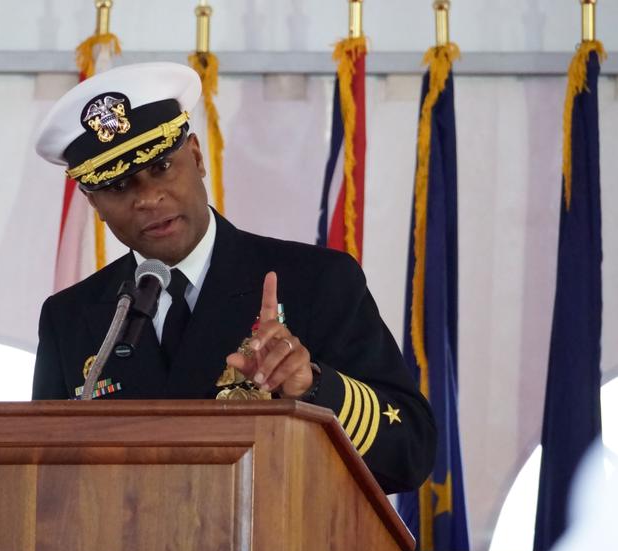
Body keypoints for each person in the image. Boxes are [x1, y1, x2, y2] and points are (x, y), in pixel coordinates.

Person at [32, 62, 435, 494]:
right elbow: (44, 481)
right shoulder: (71, 318)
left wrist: (313, 387)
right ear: (92, 201)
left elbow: (410, 451)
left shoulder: (317, 282)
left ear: (197, 156)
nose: (148, 198)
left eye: (163, 166)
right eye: (117, 187)